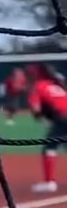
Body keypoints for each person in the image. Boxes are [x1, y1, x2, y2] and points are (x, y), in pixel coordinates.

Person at [29, 64, 67, 194]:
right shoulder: (57, 85)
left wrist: (41, 118)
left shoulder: (39, 86)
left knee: (49, 148)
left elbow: (36, 109)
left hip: (63, 119)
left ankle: (49, 182)